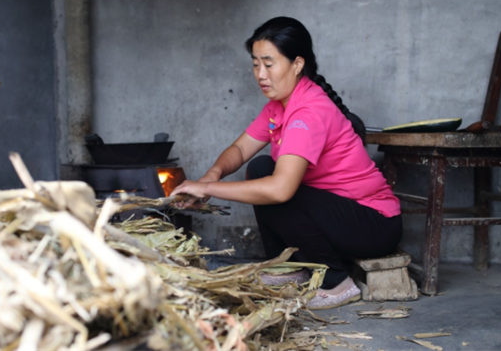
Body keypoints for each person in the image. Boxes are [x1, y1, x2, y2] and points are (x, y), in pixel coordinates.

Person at [171, 17, 401, 309]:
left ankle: (337, 282)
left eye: (269, 63)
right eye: (255, 64)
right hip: (341, 215)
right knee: (260, 168)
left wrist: (211, 189)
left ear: (297, 64)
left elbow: (280, 191)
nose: (260, 74)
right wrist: (210, 175)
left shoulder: (308, 112)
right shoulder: (279, 105)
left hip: (374, 225)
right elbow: (242, 149)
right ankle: (290, 268)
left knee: (279, 189)